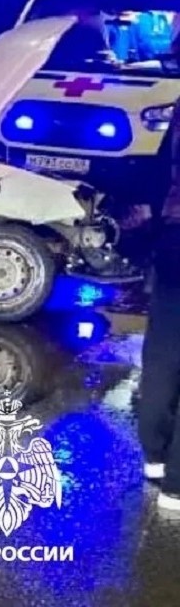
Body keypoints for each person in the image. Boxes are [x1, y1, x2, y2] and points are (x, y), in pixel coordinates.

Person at [138, 35, 180, 511]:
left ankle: (155, 453)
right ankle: (176, 485)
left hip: (175, 234)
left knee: (165, 349)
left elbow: (157, 172)